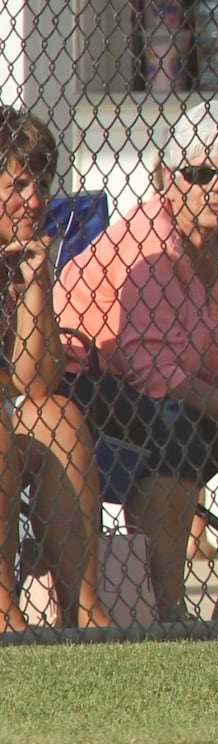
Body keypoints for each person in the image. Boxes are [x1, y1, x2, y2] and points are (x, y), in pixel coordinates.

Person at [56, 99, 218, 620]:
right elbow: (153, 373)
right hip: (91, 382)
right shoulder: (145, 241)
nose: (215, 188)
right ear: (166, 174)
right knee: (175, 431)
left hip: (189, 397)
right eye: (198, 173)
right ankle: (168, 611)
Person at [1, 106, 113, 630]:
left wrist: (37, 286)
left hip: (9, 420)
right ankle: (4, 613)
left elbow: (36, 383)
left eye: (42, 183)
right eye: (19, 184)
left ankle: (83, 613)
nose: (36, 200)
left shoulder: (28, 254)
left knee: (61, 418)